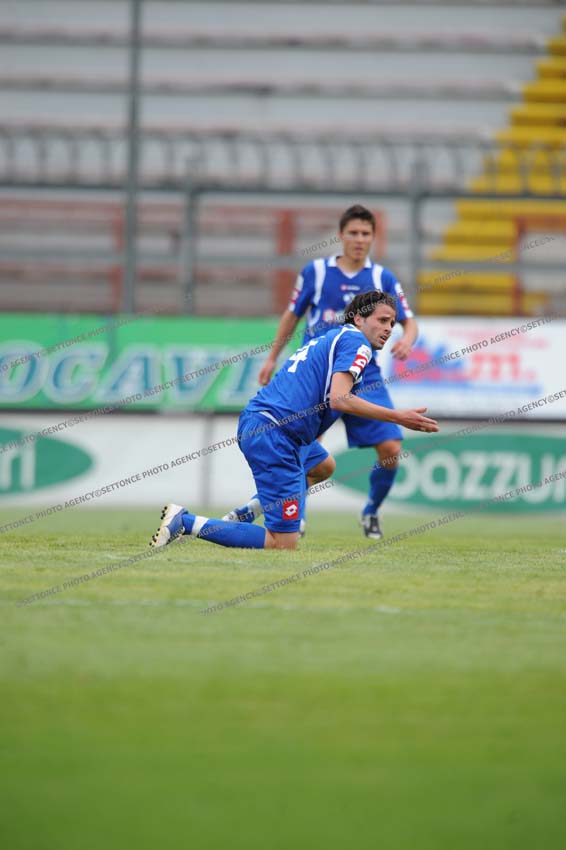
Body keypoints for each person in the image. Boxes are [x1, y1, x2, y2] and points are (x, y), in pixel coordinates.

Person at [149, 291, 438, 551]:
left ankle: (249, 511)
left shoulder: (331, 337)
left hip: (266, 423)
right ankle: (185, 521)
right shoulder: (357, 344)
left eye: (393, 323)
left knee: (323, 466)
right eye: (383, 320)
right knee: (282, 543)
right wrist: (397, 417)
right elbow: (340, 399)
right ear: (359, 319)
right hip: (277, 435)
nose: (389, 329)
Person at [226, 204, 418, 539]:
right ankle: (293, 520)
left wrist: (407, 340)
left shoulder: (382, 278)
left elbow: (408, 320)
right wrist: (272, 357)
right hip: (319, 371)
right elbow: (292, 314)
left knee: (390, 449)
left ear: (373, 238)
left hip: (365, 373)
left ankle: (371, 511)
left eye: (366, 233)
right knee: (306, 451)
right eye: (353, 232)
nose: (359, 239)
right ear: (341, 235)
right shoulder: (315, 272)